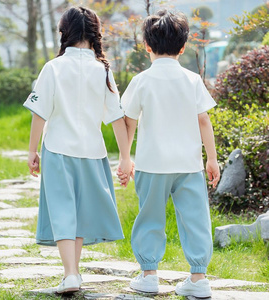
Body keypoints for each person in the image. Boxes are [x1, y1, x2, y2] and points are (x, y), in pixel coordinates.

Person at [23, 6, 132, 294]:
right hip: (93, 152)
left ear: (64, 32)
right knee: (81, 212)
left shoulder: (53, 68)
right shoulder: (103, 70)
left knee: (62, 211)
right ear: (95, 33)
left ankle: (70, 274)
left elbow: (39, 113)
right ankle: (73, 273)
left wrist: (32, 150)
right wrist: (124, 156)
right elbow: (117, 119)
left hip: (58, 149)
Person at [118, 9, 220, 298]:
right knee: (195, 218)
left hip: (152, 164)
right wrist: (211, 159)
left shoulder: (141, 81)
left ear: (147, 46)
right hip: (189, 165)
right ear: (184, 46)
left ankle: (149, 274)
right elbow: (204, 120)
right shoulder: (191, 80)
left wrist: (125, 158)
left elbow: (129, 121)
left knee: (149, 217)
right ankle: (198, 278)